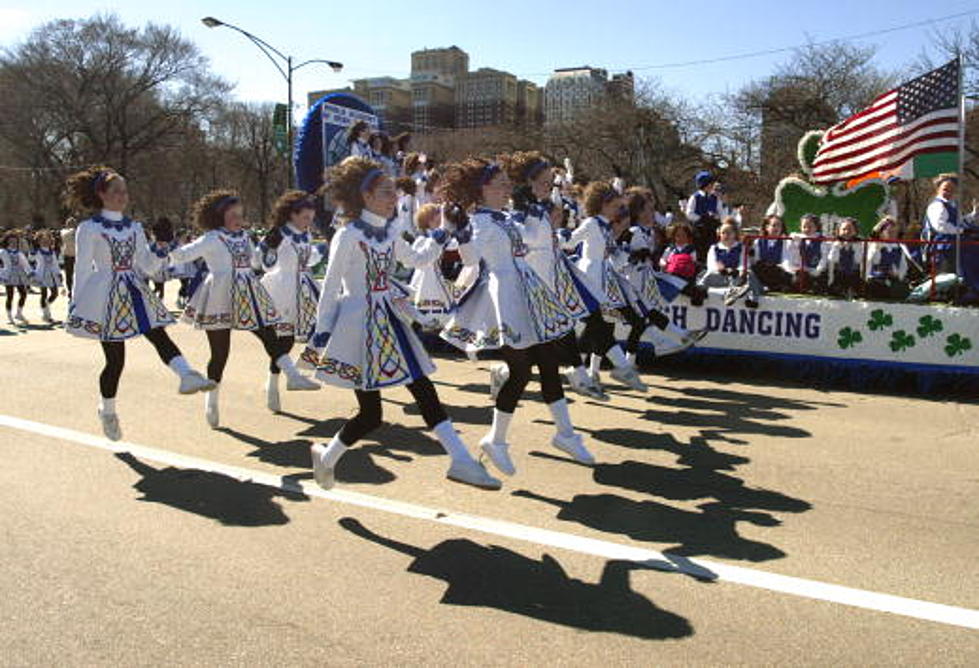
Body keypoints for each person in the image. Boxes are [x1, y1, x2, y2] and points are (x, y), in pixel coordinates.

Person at [301, 156, 500, 491]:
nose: (394, 198)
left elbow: (419, 260)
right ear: (365, 196)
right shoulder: (347, 236)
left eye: (393, 191)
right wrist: (322, 334)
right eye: (386, 192)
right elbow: (331, 286)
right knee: (371, 415)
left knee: (422, 387)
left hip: (388, 320)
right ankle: (327, 457)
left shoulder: (389, 232)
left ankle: (461, 461)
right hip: (358, 327)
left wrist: (444, 231)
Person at [439, 157, 595, 476]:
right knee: (522, 371)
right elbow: (470, 259)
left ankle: (563, 434)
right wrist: (459, 229)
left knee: (548, 362)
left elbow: (529, 240)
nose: (507, 188)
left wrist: (533, 206)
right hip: (506, 297)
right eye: (500, 184)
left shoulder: (505, 216)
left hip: (528, 291)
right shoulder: (479, 223)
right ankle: (499, 440)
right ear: (482, 190)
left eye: (507, 183)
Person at [63, 166, 213, 440]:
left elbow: (147, 266)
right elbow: (82, 269)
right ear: (101, 194)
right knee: (115, 360)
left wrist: (160, 247)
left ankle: (186, 374)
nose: (122, 196)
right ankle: (107, 410)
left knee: (158, 333)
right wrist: (76, 304)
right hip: (104, 294)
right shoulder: (89, 228)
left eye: (125, 191)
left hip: (133, 287)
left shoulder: (133, 227)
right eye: (116, 191)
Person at [169, 189, 320, 429]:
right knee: (220, 354)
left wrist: (268, 248)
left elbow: (257, 263)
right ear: (220, 216)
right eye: (233, 214)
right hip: (219, 295)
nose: (239, 219)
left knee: (269, 336)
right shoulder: (211, 238)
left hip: (248, 292)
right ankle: (212, 399)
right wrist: (169, 242)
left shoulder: (243, 236)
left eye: (241, 214)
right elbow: (181, 256)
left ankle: (292, 375)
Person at [492, 151, 605, 401]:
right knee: (554, 333)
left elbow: (551, 241)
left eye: (549, 181)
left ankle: (503, 372)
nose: (548, 186)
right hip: (530, 284)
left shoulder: (542, 208)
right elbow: (526, 239)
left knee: (553, 334)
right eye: (543, 181)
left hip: (550, 278)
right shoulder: (516, 211)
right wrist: (540, 218)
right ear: (528, 183)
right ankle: (579, 376)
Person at [560, 181, 651, 394]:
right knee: (600, 324)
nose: (619, 211)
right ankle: (621, 367)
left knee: (599, 326)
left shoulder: (606, 227)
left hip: (602, 278)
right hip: (589, 277)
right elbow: (571, 242)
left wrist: (630, 258)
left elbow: (612, 254)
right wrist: (560, 235)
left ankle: (595, 369)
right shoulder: (592, 223)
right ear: (603, 205)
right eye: (616, 206)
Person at [258, 190, 324, 413]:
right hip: (284, 288)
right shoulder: (279, 234)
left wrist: (321, 251)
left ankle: (287, 376)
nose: (308, 223)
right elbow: (264, 263)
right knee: (283, 340)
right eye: (305, 218)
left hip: (305, 287)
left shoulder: (304, 234)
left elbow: (310, 257)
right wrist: (269, 248)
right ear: (292, 215)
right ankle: (274, 385)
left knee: (315, 329)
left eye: (310, 218)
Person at [920, 174, 977, 275]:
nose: (948, 193)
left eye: (952, 190)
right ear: (938, 189)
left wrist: (973, 215)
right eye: (945, 189)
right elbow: (940, 226)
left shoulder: (952, 204)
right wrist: (961, 231)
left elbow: (959, 222)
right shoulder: (937, 205)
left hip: (956, 243)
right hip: (942, 246)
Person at [700, 219, 763, 308]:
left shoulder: (741, 247)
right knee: (708, 275)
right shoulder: (714, 248)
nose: (726, 235)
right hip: (720, 276)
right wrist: (721, 269)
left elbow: (744, 263)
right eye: (723, 233)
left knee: (749, 274)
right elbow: (711, 264)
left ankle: (752, 299)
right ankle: (701, 294)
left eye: (729, 233)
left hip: (736, 276)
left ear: (735, 234)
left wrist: (737, 270)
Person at [865, 216, 909, 300]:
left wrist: (899, 275)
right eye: (889, 232)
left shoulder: (899, 247)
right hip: (877, 280)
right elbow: (869, 263)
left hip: (894, 281)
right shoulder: (875, 246)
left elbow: (903, 266)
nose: (892, 234)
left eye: (894, 232)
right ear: (881, 233)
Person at [684, 170, 724, 262]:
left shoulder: (715, 198)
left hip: (711, 229)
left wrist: (716, 218)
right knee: (700, 252)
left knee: (712, 251)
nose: (711, 186)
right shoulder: (695, 197)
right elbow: (689, 213)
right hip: (699, 230)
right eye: (710, 183)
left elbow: (721, 213)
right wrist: (701, 218)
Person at [749, 215, 793, 293]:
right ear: (767, 227)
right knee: (757, 268)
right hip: (763, 270)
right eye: (774, 225)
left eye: (779, 226)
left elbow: (786, 260)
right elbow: (756, 259)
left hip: (777, 270)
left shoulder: (785, 242)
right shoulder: (758, 241)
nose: (776, 228)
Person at [789, 214, 828, 294]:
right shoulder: (798, 238)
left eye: (810, 227)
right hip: (802, 269)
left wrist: (818, 270)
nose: (806, 229)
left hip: (815, 270)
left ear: (816, 227)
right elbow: (792, 253)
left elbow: (824, 257)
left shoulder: (822, 240)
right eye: (804, 227)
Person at [827, 217, 864, 299]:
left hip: (854, 272)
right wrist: (838, 247)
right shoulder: (833, 243)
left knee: (855, 280)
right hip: (839, 272)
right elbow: (832, 260)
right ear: (839, 231)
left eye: (850, 230)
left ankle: (853, 292)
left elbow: (859, 260)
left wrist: (854, 247)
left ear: (855, 231)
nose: (846, 232)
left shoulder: (860, 244)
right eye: (844, 229)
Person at [31, 230, 62, 323]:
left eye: (47, 240)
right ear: (39, 241)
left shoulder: (52, 251)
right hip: (41, 275)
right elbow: (31, 260)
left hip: (52, 275)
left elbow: (55, 264)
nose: (45, 242)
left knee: (55, 293)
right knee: (43, 294)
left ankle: (46, 306)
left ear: (50, 240)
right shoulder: (37, 251)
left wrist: (59, 273)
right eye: (43, 240)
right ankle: (46, 315)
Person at [60, 217, 77, 298]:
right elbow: (64, 235)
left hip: (76, 256)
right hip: (68, 256)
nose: (72, 225)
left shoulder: (77, 233)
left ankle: (75, 289)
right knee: (69, 275)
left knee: (76, 274)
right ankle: (70, 290)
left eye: (73, 223)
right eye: (70, 223)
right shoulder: (64, 232)